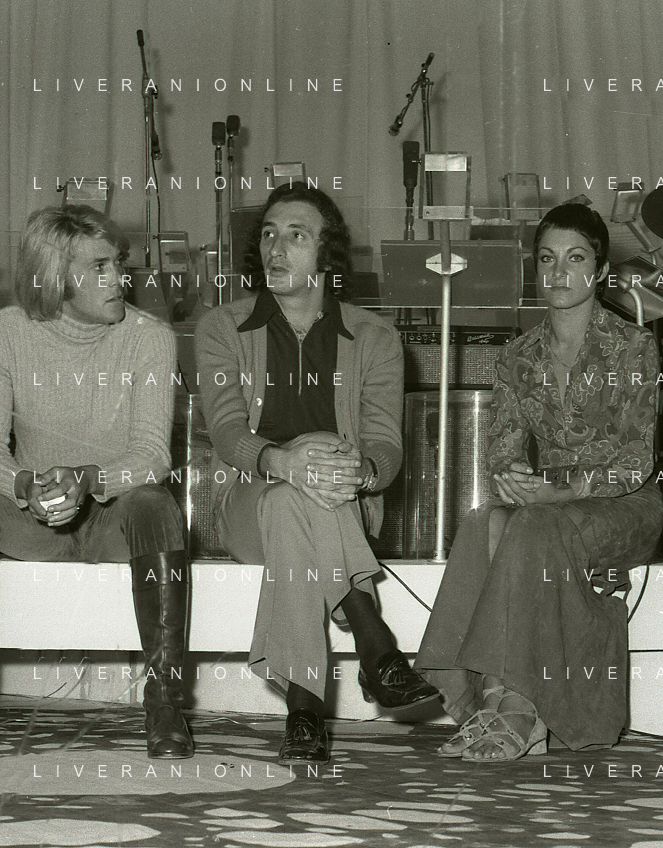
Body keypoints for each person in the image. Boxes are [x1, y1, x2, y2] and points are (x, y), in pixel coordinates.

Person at [0, 205, 192, 759]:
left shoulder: (150, 338)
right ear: (54, 277)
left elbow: (152, 455)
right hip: (34, 517)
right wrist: (27, 486)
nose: (119, 280)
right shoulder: (2, 333)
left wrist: (89, 480)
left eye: (119, 265)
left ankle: (165, 704)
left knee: (156, 504)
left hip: (113, 517)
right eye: (99, 268)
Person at [195, 184, 438, 766]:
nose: (276, 248)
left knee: (298, 500)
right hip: (248, 503)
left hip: (343, 502)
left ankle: (304, 711)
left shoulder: (375, 337)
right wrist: (283, 462)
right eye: (269, 235)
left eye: (296, 235)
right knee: (286, 493)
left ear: (326, 255)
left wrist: (359, 472)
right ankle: (375, 645)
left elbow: (384, 444)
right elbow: (226, 432)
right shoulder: (223, 327)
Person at [415, 202, 663, 762]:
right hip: (548, 506)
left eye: (575, 258)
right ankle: (488, 700)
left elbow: (635, 462)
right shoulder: (516, 355)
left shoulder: (635, 346)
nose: (558, 272)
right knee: (482, 521)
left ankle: (520, 709)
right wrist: (512, 479)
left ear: (601, 271)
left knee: (531, 526)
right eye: (547, 259)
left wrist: (559, 491)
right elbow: (503, 450)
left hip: (626, 504)